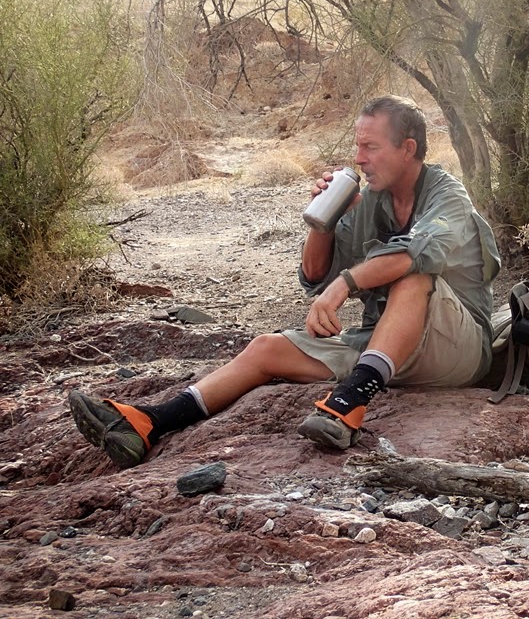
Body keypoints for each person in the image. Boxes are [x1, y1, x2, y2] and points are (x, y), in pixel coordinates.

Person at [69, 95, 501, 467]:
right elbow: (314, 277)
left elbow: (412, 256)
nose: (359, 158)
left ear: (408, 148)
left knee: (413, 277)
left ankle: (347, 406)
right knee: (266, 348)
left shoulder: (447, 194)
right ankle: (151, 422)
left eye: (370, 146)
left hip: (457, 352)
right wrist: (323, 219)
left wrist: (343, 287)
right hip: (387, 347)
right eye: (357, 146)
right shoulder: (371, 199)